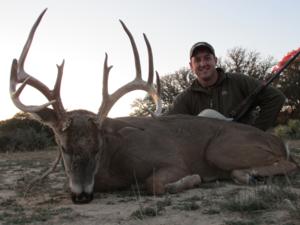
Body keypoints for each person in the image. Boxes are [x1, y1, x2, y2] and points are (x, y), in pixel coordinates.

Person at [167, 42, 285, 131]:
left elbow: (275, 97)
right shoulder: (186, 98)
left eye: (207, 58)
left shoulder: (238, 81)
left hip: (244, 145)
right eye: (197, 60)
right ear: (191, 66)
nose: (203, 64)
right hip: (206, 151)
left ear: (215, 60)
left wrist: (256, 132)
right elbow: (164, 121)